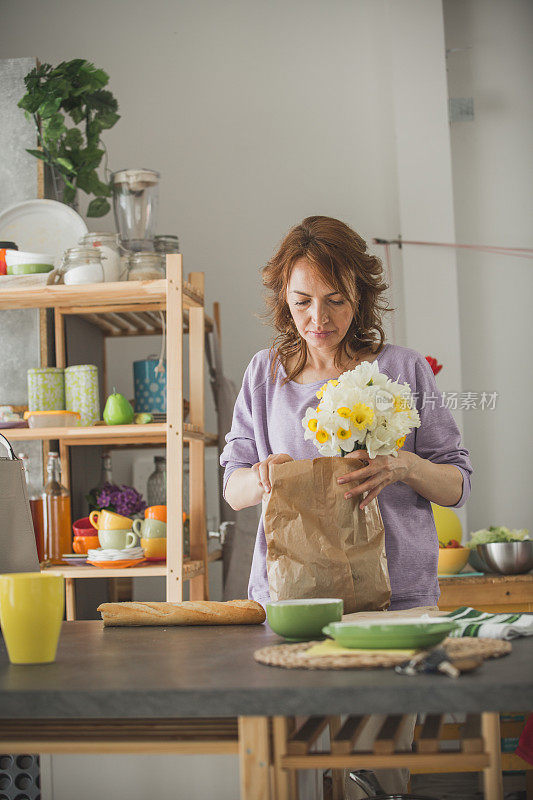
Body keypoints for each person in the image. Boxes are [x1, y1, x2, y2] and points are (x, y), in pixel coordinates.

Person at [220, 215, 473, 797]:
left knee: (378, 769)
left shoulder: (402, 369)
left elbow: (457, 483)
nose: (320, 319)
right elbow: (232, 489)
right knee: (291, 769)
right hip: (292, 603)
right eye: (303, 301)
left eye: (336, 300)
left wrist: (405, 465)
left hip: (395, 603)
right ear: (284, 298)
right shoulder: (266, 375)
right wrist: (259, 478)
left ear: (361, 293)